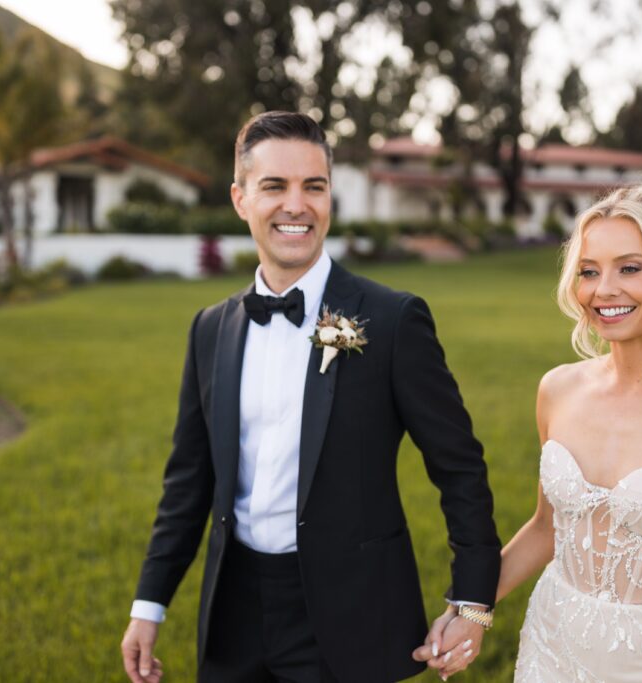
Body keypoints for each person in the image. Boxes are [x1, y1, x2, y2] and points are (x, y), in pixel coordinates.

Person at [120, 110, 501, 683]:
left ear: (330, 198)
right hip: (234, 616)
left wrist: (472, 601)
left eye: (313, 187)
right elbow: (187, 482)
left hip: (351, 617)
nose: (296, 205)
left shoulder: (394, 320)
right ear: (241, 199)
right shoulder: (210, 329)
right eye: (274, 186)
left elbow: (459, 467)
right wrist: (149, 605)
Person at [415, 184, 642, 680]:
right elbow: (548, 528)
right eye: (589, 271)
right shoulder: (558, 389)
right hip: (552, 646)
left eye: (629, 268)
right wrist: (471, 607)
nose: (603, 290)